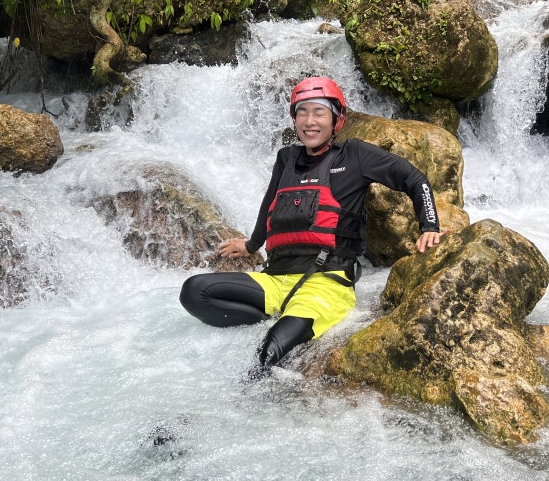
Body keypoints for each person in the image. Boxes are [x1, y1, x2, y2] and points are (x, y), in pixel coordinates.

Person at [179, 76, 442, 374]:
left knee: (269, 353)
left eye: (319, 112)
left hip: (325, 283)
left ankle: (255, 387)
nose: (310, 121)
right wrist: (251, 245)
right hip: (276, 279)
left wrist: (430, 226)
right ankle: (279, 315)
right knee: (194, 291)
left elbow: (415, 179)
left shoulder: (354, 155)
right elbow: (270, 207)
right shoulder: (286, 158)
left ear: (336, 119)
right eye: (302, 112)